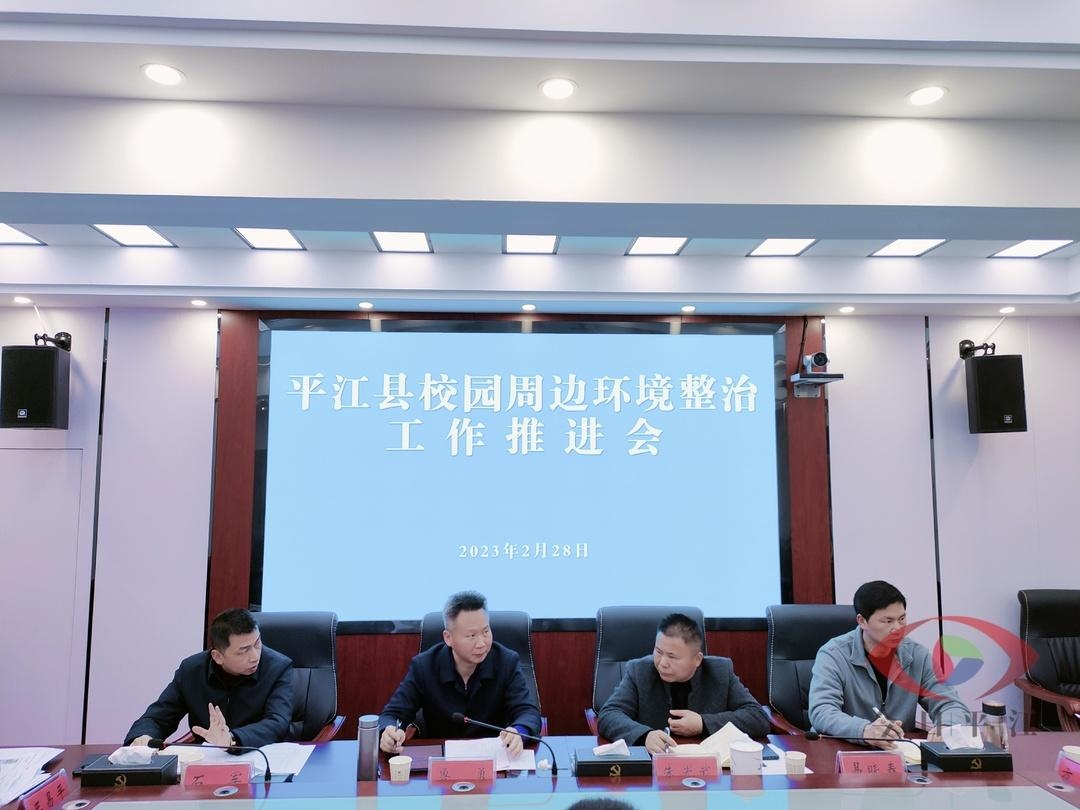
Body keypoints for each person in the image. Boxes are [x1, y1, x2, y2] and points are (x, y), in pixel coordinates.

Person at [808, 580, 971, 748]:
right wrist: (864, 730)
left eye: (902, 619)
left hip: (900, 752)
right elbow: (822, 711)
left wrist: (947, 726)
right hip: (844, 750)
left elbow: (951, 703)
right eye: (888, 621)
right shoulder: (833, 654)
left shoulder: (917, 655)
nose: (897, 628)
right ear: (862, 621)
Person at [379, 591, 541, 756]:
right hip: (441, 760)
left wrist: (519, 731)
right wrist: (388, 732)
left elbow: (528, 712)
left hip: (494, 758)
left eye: (486, 632)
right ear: (448, 637)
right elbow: (392, 714)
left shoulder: (506, 662)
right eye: (471, 635)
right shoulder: (424, 666)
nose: (481, 643)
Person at [597, 612, 770, 753]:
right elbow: (609, 714)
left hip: (708, 767)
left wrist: (703, 723)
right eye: (658, 651)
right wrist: (644, 736)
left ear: (697, 659)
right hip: (655, 767)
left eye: (672, 656)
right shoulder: (639, 671)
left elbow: (758, 718)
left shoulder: (720, 672)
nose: (662, 663)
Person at [125, 608, 293, 750]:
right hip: (206, 762)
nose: (255, 656)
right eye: (243, 651)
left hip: (261, 758)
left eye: (257, 644)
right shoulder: (192, 671)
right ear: (218, 656)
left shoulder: (277, 667)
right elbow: (158, 717)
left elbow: (277, 722)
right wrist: (142, 736)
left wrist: (231, 739)